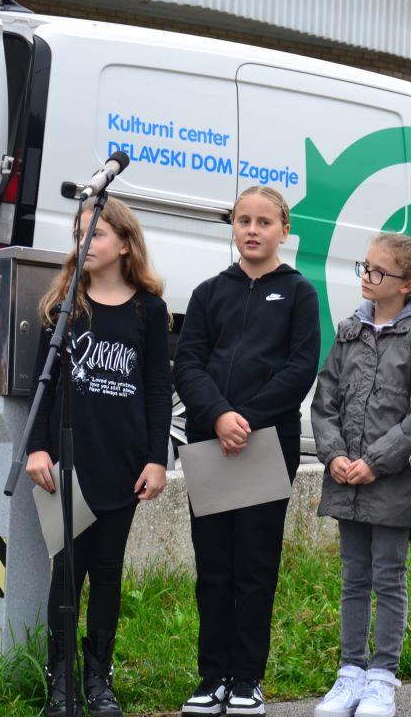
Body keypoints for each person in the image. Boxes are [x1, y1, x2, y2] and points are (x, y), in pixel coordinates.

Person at [174, 185, 321, 717]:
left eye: (264, 222)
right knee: (213, 566)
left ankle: (246, 680)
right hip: (210, 442)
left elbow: (300, 368)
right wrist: (218, 415)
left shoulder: (299, 293)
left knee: (255, 568)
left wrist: (249, 420)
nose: (252, 230)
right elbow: (188, 362)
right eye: (243, 221)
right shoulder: (209, 292)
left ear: (284, 230)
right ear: (233, 227)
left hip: (267, 445)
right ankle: (212, 676)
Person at [25, 197, 173, 717]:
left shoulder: (148, 310)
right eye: (79, 234)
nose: (84, 243)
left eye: (97, 234)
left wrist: (157, 458)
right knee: (67, 573)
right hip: (68, 466)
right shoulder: (66, 306)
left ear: (125, 244)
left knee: (108, 573)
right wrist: (37, 447)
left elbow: (158, 389)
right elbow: (44, 384)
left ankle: (98, 676)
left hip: (124, 464)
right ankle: (60, 677)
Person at [311, 234, 411, 717]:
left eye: (377, 271)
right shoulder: (350, 329)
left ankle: (382, 678)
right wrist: (334, 455)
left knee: (389, 578)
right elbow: (325, 400)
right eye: (365, 266)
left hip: (394, 482)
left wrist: (376, 461)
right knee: (354, 577)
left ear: (407, 284)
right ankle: (350, 671)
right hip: (347, 479)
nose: (366, 277)